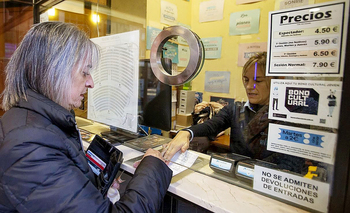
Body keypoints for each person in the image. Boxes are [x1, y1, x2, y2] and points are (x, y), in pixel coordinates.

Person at [0, 22, 172, 212]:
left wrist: (95, 186)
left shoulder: (36, 123)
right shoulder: (29, 145)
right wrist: (152, 168)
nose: (91, 82)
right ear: (53, 71)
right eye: (84, 72)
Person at [163, 52, 304, 173]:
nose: (249, 87)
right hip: (236, 179)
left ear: (276, 81)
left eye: (258, 81)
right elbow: (212, 125)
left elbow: (291, 166)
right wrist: (186, 133)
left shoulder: (289, 116)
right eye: (246, 80)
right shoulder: (236, 109)